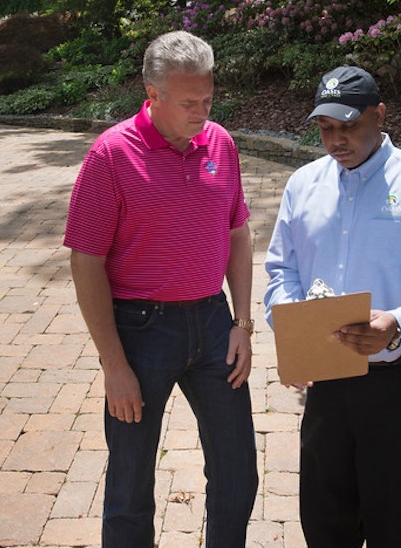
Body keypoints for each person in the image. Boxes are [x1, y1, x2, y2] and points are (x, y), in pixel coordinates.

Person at [264, 65, 401, 548]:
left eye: (349, 126)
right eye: (325, 129)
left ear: (380, 115)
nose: (336, 140)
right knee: (325, 518)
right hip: (328, 384)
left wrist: (398, 324)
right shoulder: (303, 185)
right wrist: (294, 331)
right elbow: (282, 270)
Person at [63, 30, 258, 547]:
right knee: (130, 482)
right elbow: (86, 261)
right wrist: (114, 364)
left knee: (238, 471)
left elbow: (238, 233)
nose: (202, 111)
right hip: (141, 330)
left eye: (208, 98)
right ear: (153, 95)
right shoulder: (111, 155)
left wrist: (243, 323)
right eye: (189, 102)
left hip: (215, 324)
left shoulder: (221, 143)